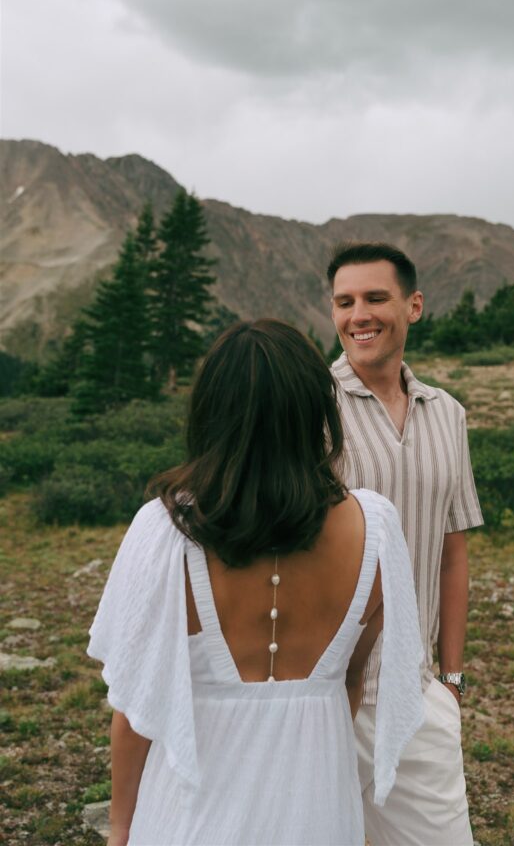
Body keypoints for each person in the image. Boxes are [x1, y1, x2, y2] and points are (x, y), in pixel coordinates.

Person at [87, 319, 425, 846]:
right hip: (318, 811)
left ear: (210, 413)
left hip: (188, 819)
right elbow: (350, 682)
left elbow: (134, 711)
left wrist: (121, 827)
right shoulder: (376, 528)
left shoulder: (165, 530)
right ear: (316, 410)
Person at [327, 242, 484, 846]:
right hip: (322, 693)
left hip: (414, 694)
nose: (358, 314)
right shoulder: (311, 406)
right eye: (344, 302)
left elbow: (452, 551)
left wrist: (452, 677)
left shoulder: (449, 413)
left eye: (375, 298)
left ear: (413, 306)